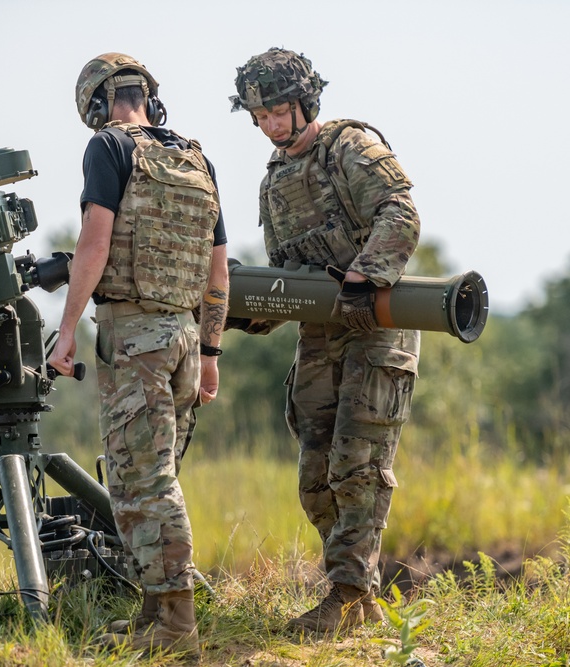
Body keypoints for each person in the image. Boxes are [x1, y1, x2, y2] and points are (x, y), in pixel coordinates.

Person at [228, 47, 421, 635]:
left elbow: (400, 213)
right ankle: (357, 598)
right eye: (259, 116)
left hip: (377, 324)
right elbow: (289, 278)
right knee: (316, 476)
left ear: (305, 101)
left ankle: (344, 597)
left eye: (278, 111)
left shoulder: (349, 146)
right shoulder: (275, 178)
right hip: (320, 336)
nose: (269, 124)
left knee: (357, 466)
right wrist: (242, 307)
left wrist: (365, 278)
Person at [48, 52, 229, 655]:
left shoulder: (109, 148)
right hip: (180, 337)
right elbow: (217, 267)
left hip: (135, 338)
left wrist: (67, 328)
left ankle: (177, 627)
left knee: (142, 483)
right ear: (149, 96)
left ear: (99, 104)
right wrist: (209, 350)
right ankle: (157, 609)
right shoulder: (196, 158)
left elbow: (94, 243)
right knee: (155, 474)